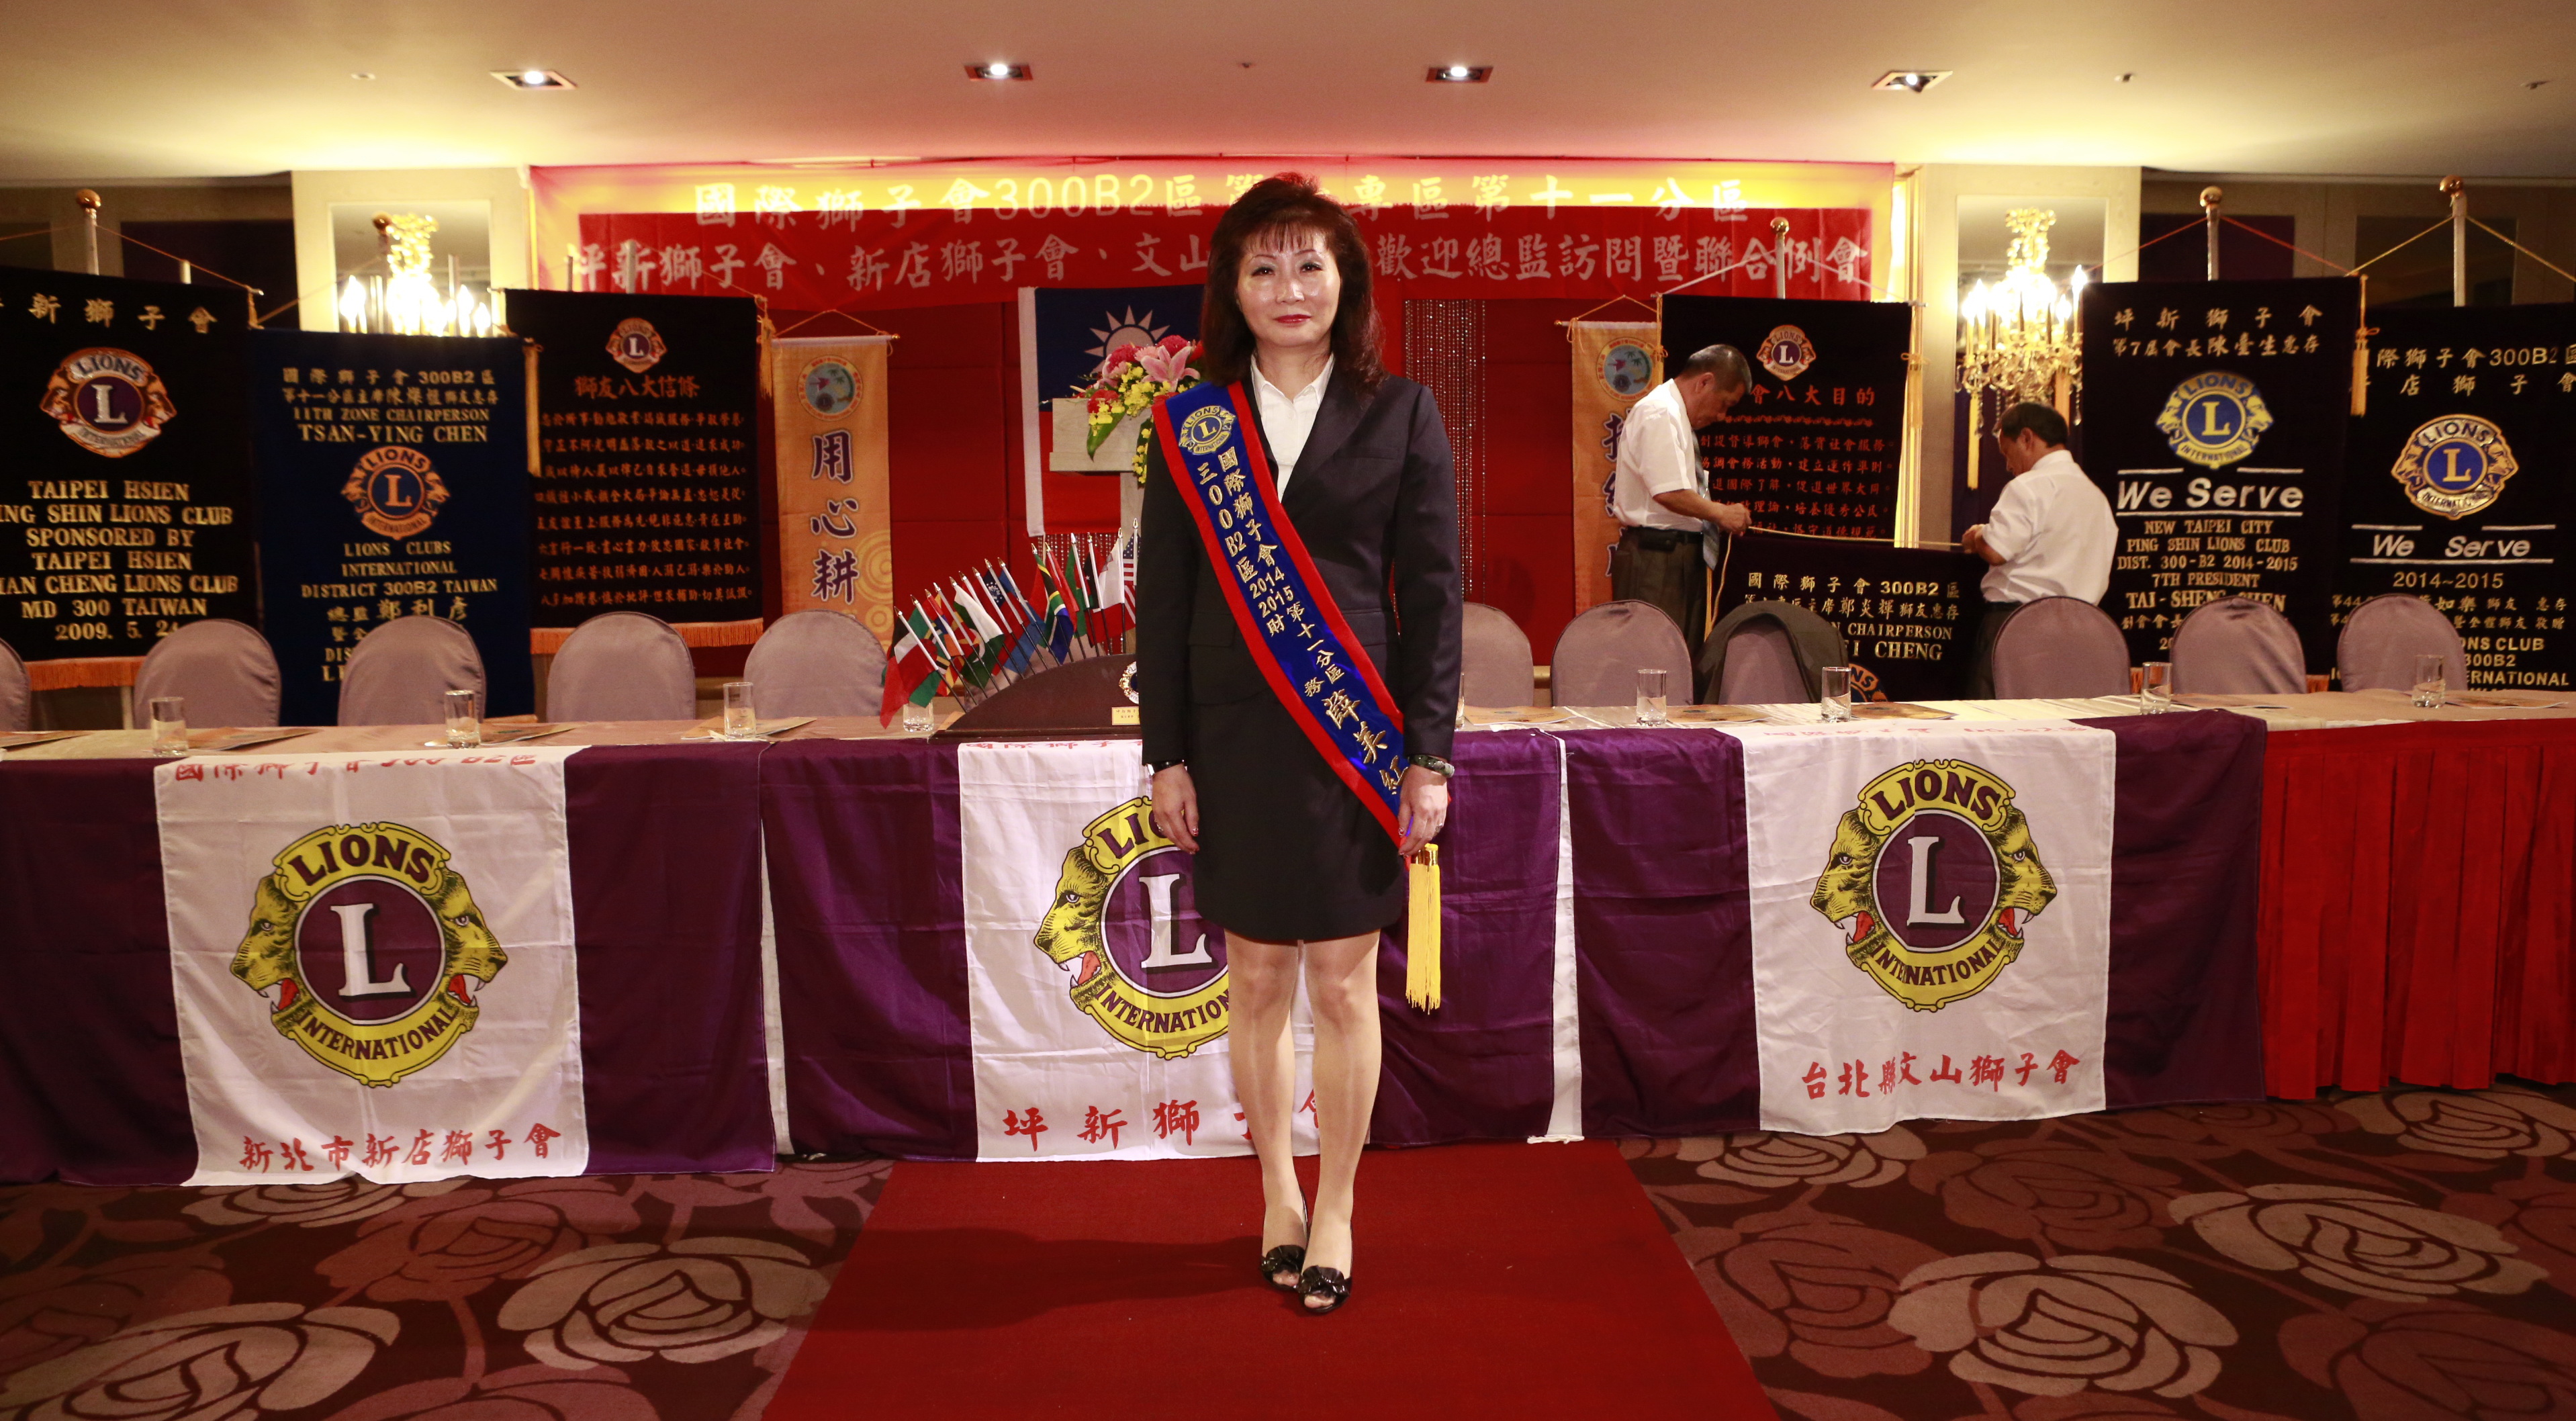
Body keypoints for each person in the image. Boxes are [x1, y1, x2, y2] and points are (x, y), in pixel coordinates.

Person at [1134, 175, 1462, 1316]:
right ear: (1232, 288)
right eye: (1263, 266)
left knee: (1344, 981)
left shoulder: (1402, 413)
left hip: (1351, 736)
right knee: (1259, 977)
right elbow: (1165, 601)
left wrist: (1429, 754)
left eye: (1310, 264)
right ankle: (1277, 1189)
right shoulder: (1193, 425)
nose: (1289, 287)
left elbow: (1434, 595)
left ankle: (1338, 1207)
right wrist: (1166, 755)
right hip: (1230, 741)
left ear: (1345, 283)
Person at [1609, 345, 1753, 682]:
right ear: (1705, 382)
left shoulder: (1675, 415)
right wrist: (1720, 513)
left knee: (1679, 664)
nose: (1722, 416)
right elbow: (1668, 492)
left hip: (1675, 555)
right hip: (1656, 558)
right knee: (1653, 662)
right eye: (1725, 404)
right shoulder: (1660, 412)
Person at [1960, 400, 2117, 696]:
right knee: (2060, 718)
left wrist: (1977, 536)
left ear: (2027, 438)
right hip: (2082, 631)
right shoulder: (2096, 497)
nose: (2008, 466)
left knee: (1996, 718)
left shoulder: (2029, 486)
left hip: (2020, 628)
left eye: (2007, 453)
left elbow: (1996, 551)